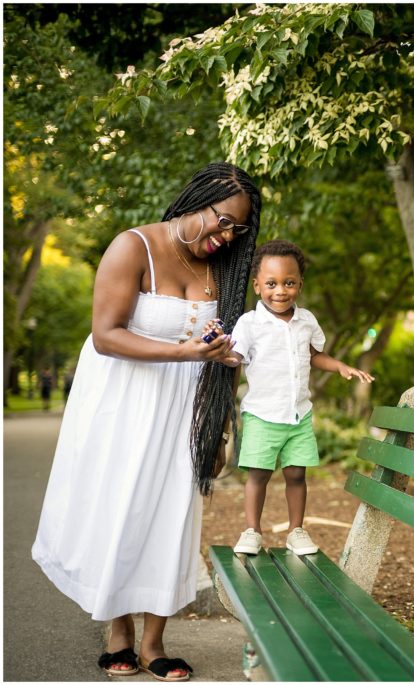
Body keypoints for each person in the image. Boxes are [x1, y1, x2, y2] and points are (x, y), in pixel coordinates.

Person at [32, 162, 262, 682]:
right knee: (123, 511)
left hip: (186, 412)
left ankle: (156, 642)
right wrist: (185, 352)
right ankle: (120, 634)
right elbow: (106, 334)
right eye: (222, 220)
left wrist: (218, 427)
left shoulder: (222, 269)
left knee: (173, 518)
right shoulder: (132, 246)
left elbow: (222, 355)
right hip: (123, 407)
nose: (225, 237)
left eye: (237, 230)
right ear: (197, 200)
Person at [208, 240, 373, 558]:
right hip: (262, 414)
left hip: (299, 415)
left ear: (299, 284)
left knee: (297, 473)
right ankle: (252, 531)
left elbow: (314, 355)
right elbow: (235, 358)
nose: (280, 291)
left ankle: (296, 531)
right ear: (257, 286)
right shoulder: (250, 323)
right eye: (271, 284)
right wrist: (219, 349)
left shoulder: (306, 321)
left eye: (289, 283)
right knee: (259, 473)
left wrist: (340, 366)